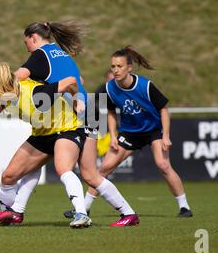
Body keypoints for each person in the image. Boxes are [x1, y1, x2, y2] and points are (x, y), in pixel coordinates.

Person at [0, 21, 139, 227]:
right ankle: (15, 212)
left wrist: (5, 89)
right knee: (88, 174)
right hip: (80, 112)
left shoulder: (40, 56)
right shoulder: (59, 53)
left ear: (33, 38)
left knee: (78, 171)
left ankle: (91, 213)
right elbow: (80, 79)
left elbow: (19, 77)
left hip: (77, 115)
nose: (27, 49)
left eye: (26, 43)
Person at [66, 46, 193, 218]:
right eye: (113, 66)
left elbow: (163, 109)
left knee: (163, 165)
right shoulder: (110, 88)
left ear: (129, 68)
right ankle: (85, 207)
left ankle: (184, 207)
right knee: (104, 167)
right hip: (129, 132)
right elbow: (111, 112)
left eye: (120, 66)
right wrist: (113, 136)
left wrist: (166, 136)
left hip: (152, 130)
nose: (116, 70)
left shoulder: (145, 86)